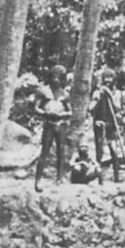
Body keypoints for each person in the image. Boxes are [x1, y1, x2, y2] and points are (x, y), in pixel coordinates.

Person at [33, 64, 71, 192]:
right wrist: (45, 113)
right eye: (54, 77)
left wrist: (61, 115)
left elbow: (70, 112)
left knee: (61, 152)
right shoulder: (43, 91)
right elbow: (35, 108)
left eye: (59, 77)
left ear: (62, 79)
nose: (56, 80)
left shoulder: (65, 94)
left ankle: (59, 179)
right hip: (49, 123)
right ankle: (37, 180)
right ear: (50, 77)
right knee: (44, 152)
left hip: (61, 124)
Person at [90, 67, 123, 182]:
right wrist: (98, 98)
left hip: (111, 126)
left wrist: (109, 95)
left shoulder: (117, 93)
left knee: (114, 151)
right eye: (106, 78)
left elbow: (117, 108)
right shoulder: (96, 92)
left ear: (114, 79)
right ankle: (100, 179)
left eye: (110, 78)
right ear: (102, 79)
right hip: (100, 125)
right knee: (99, 152)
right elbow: (91, 109)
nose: (108, 80)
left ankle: (117, 178)